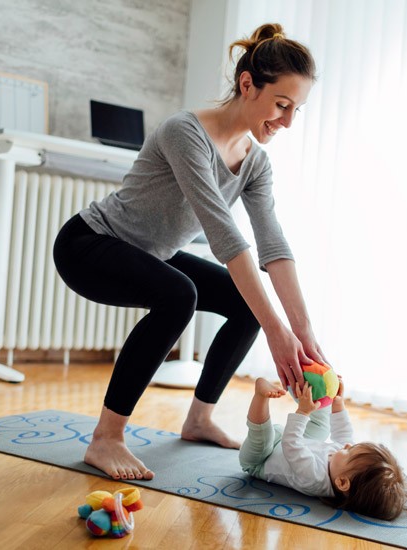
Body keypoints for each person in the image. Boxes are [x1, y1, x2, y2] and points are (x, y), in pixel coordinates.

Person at [53, 23, 325, 481]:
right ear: (246, 85)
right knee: (179, 295)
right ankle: (106, 438)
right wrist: (278, 333)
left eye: (297, 109)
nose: (288, 122)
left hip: (152, 254)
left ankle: (199, 418)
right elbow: (225, 235)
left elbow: (272, 244)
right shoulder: (185, 132)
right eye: (282, 105)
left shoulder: (255, 162)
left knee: (243, 306)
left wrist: (303, 332)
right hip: (89, 244)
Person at [239, 378, 407, 520]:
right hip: (296, 442)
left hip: (261, 459)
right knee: (322, 426)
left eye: (350, 451)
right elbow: (344, 434)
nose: (348, 445)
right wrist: (337, 402)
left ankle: (261, 396)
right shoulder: (343, 466)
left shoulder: (314, 478)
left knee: (262, 436)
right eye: (353, 447)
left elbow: (291, 445)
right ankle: (310, 388)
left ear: (342, 482)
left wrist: (303, 412)